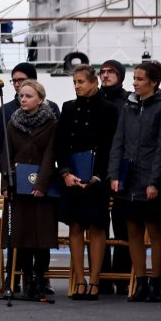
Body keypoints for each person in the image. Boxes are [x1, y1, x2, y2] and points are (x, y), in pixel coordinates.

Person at [108, 61, 161, 302]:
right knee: (132, 231)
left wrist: (155, 181)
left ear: (154, 82)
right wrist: (114, 175)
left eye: (139, 79)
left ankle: (156, 283)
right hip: (128, 179)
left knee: (155, 230)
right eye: (134, 78)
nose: (134, 82)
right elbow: (119, 141)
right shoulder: (129, 106)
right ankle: (142, 282)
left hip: (151, 180)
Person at [55, 64, 118, 300]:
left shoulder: (109, 110)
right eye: (74, 82)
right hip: (73, 176)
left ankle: (95, 280)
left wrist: (99, 175)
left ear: (93, 82)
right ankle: (80, 280)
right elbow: (60, 144)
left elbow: (111, 145)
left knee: (97, 226)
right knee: (75, 226)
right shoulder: (68, 108)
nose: (77, 86)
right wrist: (65, 173)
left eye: (81, 82)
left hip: (97, 177)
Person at [2, 79, 59, 299]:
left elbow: (50, 155)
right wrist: (6, 184)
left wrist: (41, 184)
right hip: (18, 187)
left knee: (41, 238)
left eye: (28, 96)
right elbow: (6, 155)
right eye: (21, 96)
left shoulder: (51, 123)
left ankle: (39, 279)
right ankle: (27, 278)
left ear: (40, 99)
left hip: (41, 189)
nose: (23, 99)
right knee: (22, 236)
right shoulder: (12, 123)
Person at [98, 59, 132, 294]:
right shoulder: (95, 100)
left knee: (122, 226)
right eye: (102, 72)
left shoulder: (128, 101)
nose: (106, 75)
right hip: (99, 169)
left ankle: (122, 278)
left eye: (111, 72)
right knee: (99, 225)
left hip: (122, 170)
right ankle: (100, 277)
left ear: (120, 75)